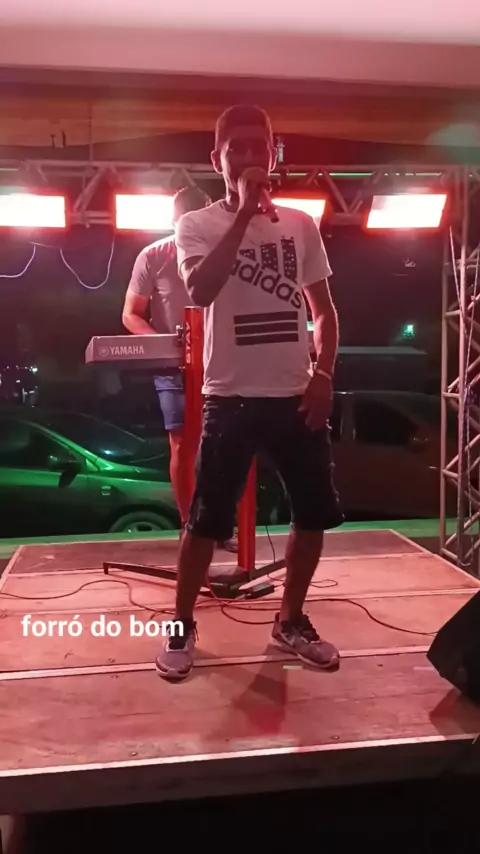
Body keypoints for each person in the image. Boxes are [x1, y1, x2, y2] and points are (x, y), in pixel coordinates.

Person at [155, 104, 344, 682]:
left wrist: (323, 375)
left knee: (312, 513)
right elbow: (201, 290)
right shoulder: (196, 225)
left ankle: (290, 620)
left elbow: (324, 311)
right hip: (231, 395)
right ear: (216, 159)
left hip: (295, 395)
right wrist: (242, 213)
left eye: (258, 146)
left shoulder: (300, 225)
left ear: (273, 153)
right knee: (205, 520)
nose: (247, 156)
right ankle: (182, 624)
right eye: (234, 148)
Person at [122, 186, 238, 552]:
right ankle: (191, 525)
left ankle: (219, 525)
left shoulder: (225, 254)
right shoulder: (153, 255)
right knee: (182, 443)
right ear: (174, 221)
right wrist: (164, 342)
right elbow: (130, 314)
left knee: (223, 442)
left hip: (222, 359)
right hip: (173, 365)